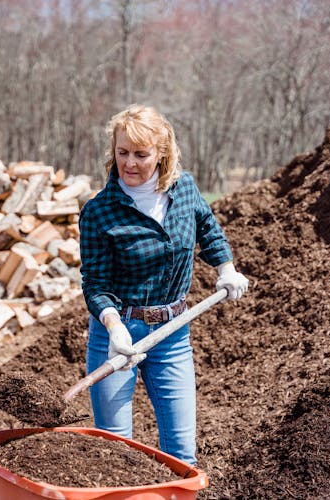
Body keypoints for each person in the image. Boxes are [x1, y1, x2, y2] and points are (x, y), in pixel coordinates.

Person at [79, 104, 248, 465]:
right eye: (123, 153)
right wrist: (114, 327)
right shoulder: (99, 211)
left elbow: (208, 227)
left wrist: (226, 268)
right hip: (118, 335)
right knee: (115, 453)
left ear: (162, 153)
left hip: (173, 331)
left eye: (141, 154)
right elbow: (94, 282)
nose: (130, 163)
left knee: (181, 451)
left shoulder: (183, 189)